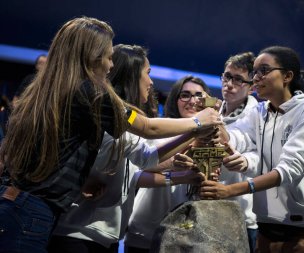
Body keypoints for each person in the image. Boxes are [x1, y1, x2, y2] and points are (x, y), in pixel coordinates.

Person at [0, 17, 221, 253]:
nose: (110, 65)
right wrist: (198, 121)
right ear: (92, 56)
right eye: (107, 56)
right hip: (39, 214)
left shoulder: (49, 89)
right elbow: (148, 128)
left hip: (17, 204)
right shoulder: (91, 94)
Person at [200, 46, 304, 253]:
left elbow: (288, 169)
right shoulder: (261, 112)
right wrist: (218, 128)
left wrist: (230, 190)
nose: (256, 78)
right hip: (267, 230)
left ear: (287, 76)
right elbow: (240, 137)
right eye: (255, 72)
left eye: (264, 70)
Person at [125, 75, 213, 252]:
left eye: (198, 96)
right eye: (185, 95)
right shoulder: (161, 128)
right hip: (146, 227)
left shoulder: (215, 137)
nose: (192, 100)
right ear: (176, 99)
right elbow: (143, 164)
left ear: (208, 102)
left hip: (188, 236)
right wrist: (176, 161)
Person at [218, 51, 259, 252]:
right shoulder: (214, 112)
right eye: (227, 76)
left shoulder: (259, 116)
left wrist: (246, 160)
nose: (229, 84)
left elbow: (266, 157)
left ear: (251, 88)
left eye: (238, 79)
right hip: (211, 209)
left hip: (242, 217)